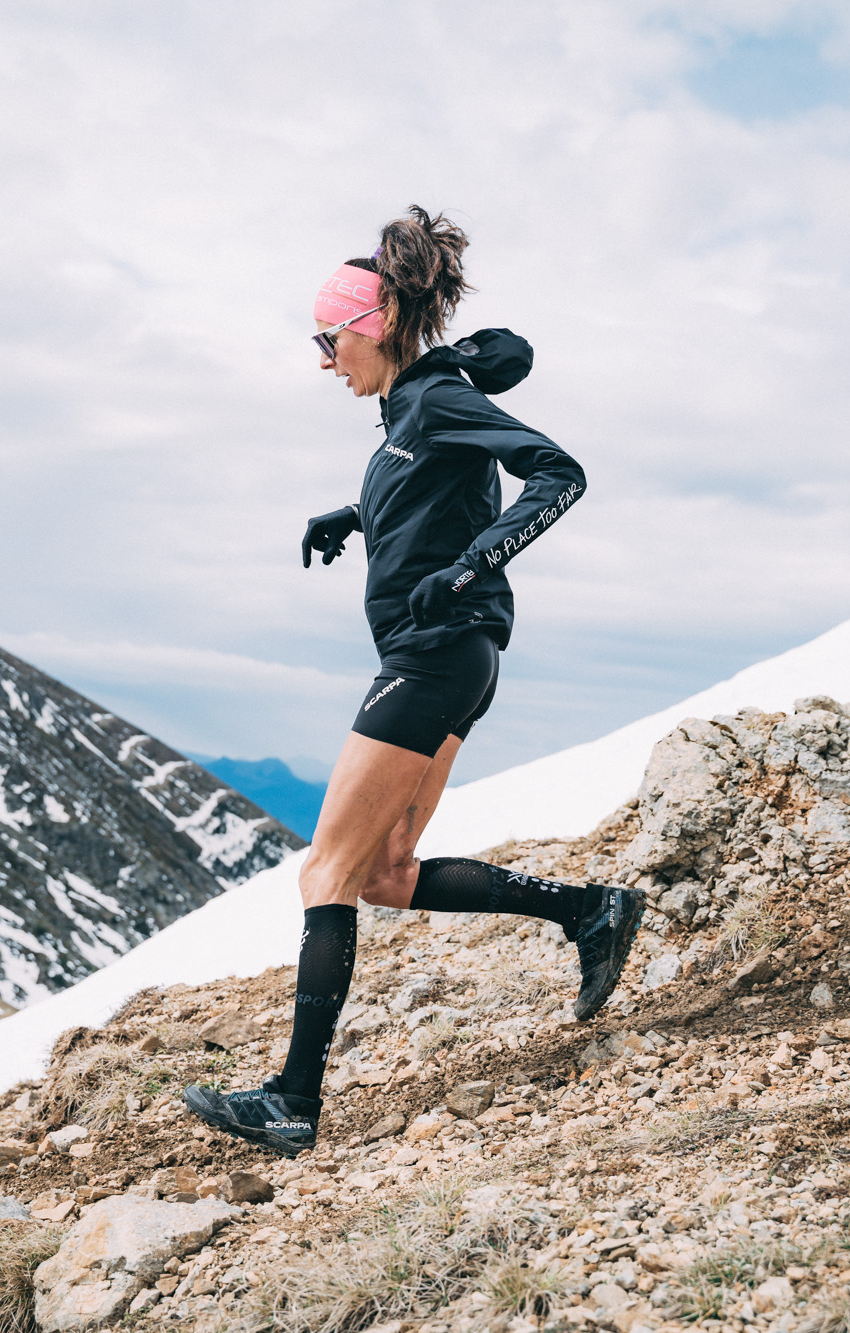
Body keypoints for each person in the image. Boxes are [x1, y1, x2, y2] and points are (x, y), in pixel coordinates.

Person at [183, 207, 645, 1158]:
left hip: (433, 654)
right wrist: (354, 512)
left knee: (328, 871)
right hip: (454, 657)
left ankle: (292, 1101)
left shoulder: (433, 398)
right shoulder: (412, 410)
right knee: (387, 873)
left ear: (377, 322)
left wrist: (472, 565)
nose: (323, 359)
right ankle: (588, 909)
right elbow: (430, 478)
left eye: (330, 336)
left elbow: (558, 473)